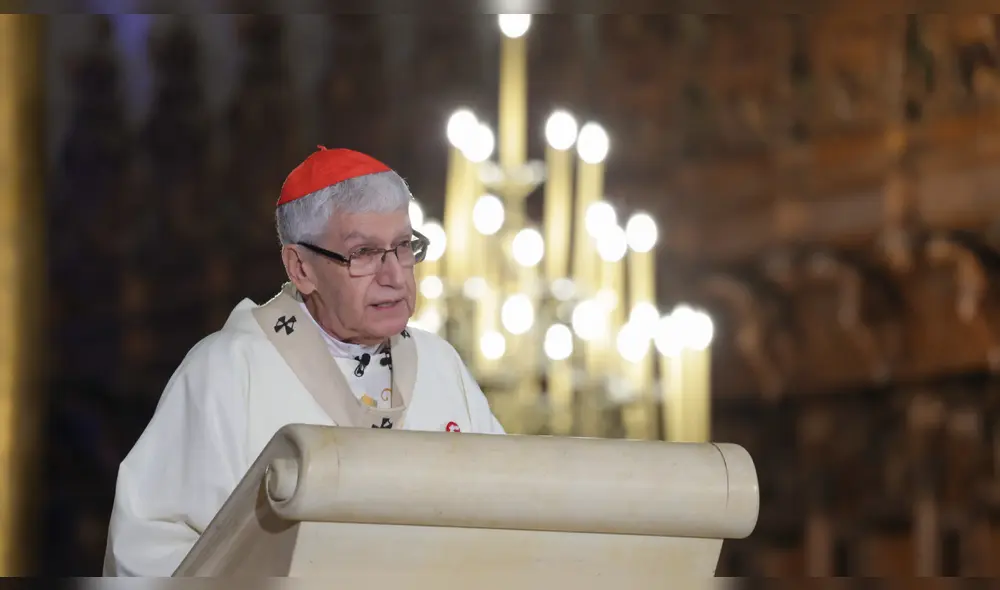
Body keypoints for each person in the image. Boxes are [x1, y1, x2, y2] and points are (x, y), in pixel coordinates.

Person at [103, 147, 505, 577]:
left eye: (403, 246)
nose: (394, 276)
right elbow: (149, 547)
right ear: (301, 268)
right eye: (364, 253)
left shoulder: (440, 364)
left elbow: (513, 509)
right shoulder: (229, 371)